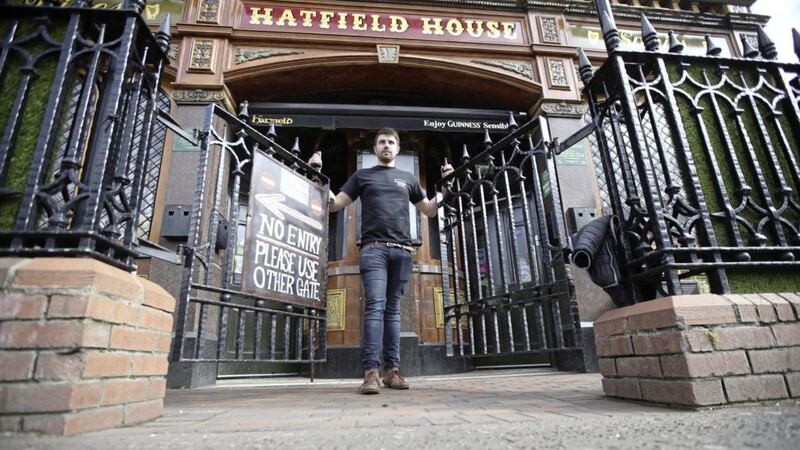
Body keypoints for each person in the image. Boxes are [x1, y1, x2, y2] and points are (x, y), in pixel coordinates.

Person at [308, 128, 453, 395]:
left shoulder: (408, 178)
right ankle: (370, 373)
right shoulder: (362, 176)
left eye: (391, 142)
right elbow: (335, 204)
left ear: (397, 149)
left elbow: (430, 210)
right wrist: (318, 175)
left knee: (393, 310)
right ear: (375, 149)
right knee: (375, 306)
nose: (386, 145)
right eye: (382, 142)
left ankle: (392, 371)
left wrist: (445, 183)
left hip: (402, 251)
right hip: (373, 250)